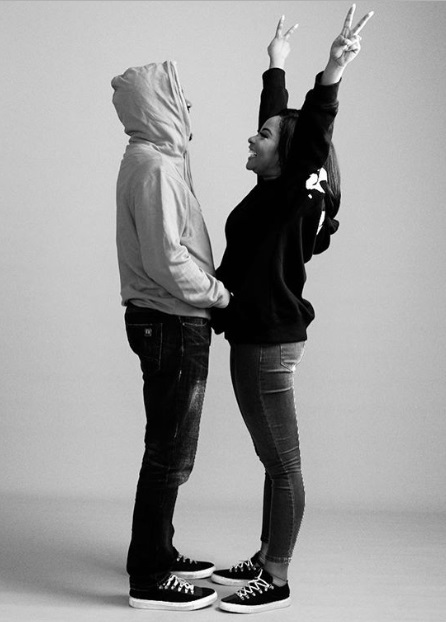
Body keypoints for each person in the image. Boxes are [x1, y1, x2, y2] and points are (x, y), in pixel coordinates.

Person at [210, 6, 374, 614]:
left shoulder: (291, 194)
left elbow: (307, 134)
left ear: (289, 157)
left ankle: (276, 577)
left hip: (268, 341)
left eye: (263, 135)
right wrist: (275, 64)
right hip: (254, 337)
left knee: (283, 466)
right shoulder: (272, 189)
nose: (252, 137)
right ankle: (264, 555)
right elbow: (279, 126)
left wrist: (332, 70)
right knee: (272, 461)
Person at [111, 60, 231, 611]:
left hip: (168, 319)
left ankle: (158, 552)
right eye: (179, 95)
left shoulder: (156, 160)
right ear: (157, 104)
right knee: (168, 452)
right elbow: (166, 261)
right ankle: (149, 577)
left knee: (170, 448)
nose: (188, 105)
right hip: (172, 320)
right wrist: (220, 295)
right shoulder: (155, 167)